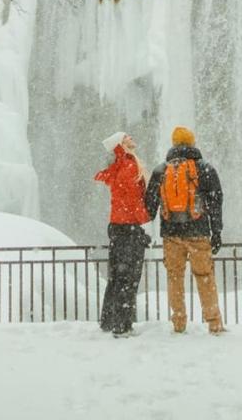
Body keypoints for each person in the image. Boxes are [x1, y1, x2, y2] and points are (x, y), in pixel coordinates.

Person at [145, 125, 225, 335]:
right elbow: (216, 203)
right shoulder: (204, 169)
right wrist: (216, 232)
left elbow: (149, 207)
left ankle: (178, 322)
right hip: (198, 232)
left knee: (174, 277)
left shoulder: (161, 170)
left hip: (171, 234)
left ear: (173, 144)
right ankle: (214, 323)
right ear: (192, 143)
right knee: (204, 276)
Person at [93, 131, 150, 336]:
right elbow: (133, 200)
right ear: (121, 144)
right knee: (128, 277)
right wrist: (145, 219)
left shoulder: (119, 164)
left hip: (117, 227)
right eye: (127, 137)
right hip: (128, 228)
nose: (131, 137)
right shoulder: (129, 165)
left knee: (117, 276)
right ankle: (122, 325)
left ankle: (109, 320)